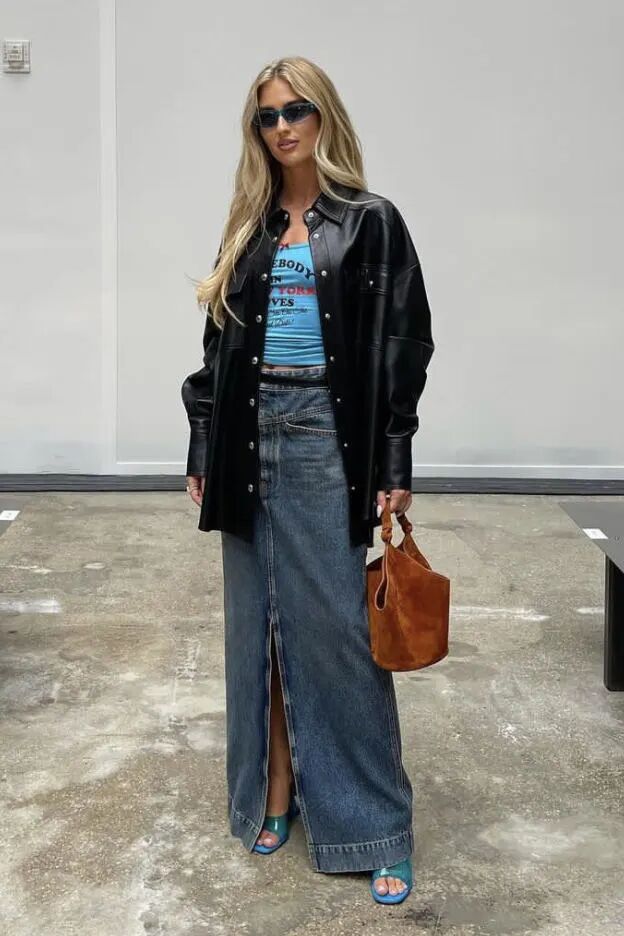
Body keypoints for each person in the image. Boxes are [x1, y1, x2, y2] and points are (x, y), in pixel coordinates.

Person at [182, 55, 434, 905]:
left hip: (326, 438)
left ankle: (375, 827)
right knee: (257, 631)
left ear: (323, 116)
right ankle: (273, 791)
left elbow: (402, 346)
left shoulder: (370, 222)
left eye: (296, 110)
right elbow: (215, 354)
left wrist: (393, 460)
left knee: (337, 638)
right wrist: (204, 446)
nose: (283, 126)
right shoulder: (249, 227)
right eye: (267, 116)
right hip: (247, 439)